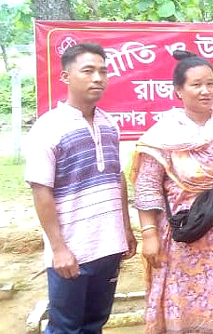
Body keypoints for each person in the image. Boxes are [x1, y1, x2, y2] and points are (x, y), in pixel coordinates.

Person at [130, 50, 213, 334]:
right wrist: (149, 236)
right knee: (182, 299)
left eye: (210, 83)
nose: (206, 91)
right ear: (178, 91)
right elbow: (146, 186)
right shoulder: (163, 133)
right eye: (196, 85)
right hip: (183, 237)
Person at [25, 42, 137, 334]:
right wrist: (59, 248)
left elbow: (118, 178)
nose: (98, 78)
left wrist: (126, 229)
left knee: (95, 323)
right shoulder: (47, 127)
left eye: (103, 71)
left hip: (109, 246)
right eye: (88, 71)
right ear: (66, 77)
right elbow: (41, 190)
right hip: (72, 251)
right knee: (65, 327)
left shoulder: (110, 125)